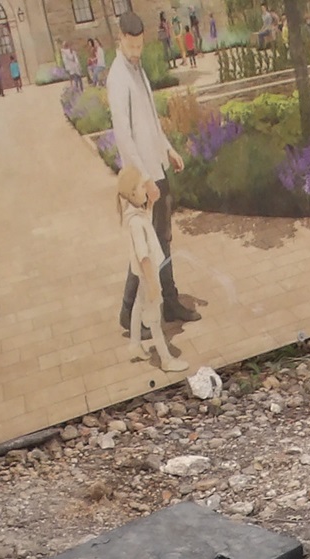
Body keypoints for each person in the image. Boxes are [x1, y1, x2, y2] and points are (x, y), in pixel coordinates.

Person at [108, 9, 197, 334]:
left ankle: (170, 302)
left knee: (163, 239)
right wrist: (145, 179)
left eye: (140, 47)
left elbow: (148, 121)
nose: (136, 52)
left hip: (156, 167)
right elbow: (124, 136)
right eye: (131, 47)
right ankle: (127, 312)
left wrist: (168, 149)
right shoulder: (118, 77)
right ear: (121, 40)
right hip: (141, 178)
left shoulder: (138, 70)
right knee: (143, 245)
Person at [116, 166, 187, 372]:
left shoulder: (134, 213)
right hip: (148, 273)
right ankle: (166, 359)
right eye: (141, 187)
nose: (146, 190)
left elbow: (146, 218)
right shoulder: (136, 223)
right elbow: (144, 256)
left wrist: (152, 203)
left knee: (138, 305)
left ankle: (135, 344)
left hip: (141, 273)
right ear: (132, 193)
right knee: (155, 318)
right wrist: (153, 284)